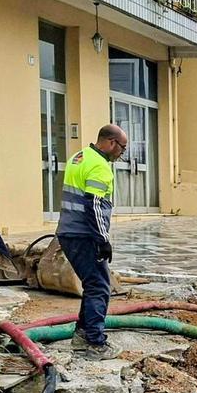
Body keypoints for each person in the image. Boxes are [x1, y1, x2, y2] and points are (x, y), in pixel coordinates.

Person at [56, 124, 128, 360]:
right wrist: (103, 240)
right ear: (110, 142)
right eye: (122, 148)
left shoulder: (79, 156)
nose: (122, 153)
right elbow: (94, 205)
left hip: (69, 232)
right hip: (83, 235)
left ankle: (82, 335)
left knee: (92, 282)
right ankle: (94, 343)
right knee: (99, 286)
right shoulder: (100, 167)